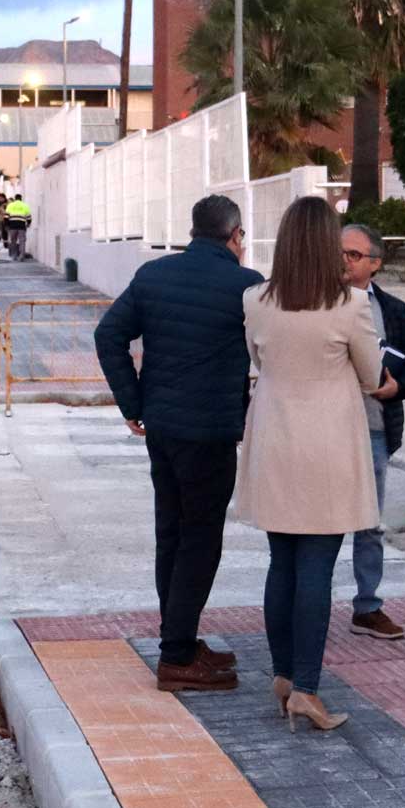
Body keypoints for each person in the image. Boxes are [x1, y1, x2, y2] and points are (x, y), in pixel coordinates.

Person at [94, 195, 264, 693]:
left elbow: (109, 337)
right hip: (210, 432)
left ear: (194, 231)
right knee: (201, 538)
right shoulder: (246, 286)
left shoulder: (153, 276)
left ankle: (181, 639)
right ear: (234, 235)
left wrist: (133, 404)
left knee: (171, 533)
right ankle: (176, 655)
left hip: (162, 430)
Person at [235, 196, 384, 731]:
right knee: (317, 566)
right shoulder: (351, 305)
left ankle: (282, 677)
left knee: (282, 562)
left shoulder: (256, 298)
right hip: (328, 442)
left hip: (274, 433)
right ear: (327, 246)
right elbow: (371, 376)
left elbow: (258, 360)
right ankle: (306, 689)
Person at [340, 223, 405, 640]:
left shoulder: (392, 309)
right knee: (318, 523)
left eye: (353, 255)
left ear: (374, 263)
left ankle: (367, 606)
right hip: (326, 430)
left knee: (369, 523)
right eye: (338, 252)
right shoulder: (316, 302)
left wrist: (398, 387)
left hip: (373, 427)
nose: (343, 260)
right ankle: (310, 606)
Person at [3, 195, 31, 260]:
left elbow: (6, 217)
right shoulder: (25, 205)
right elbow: (29, 217)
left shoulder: (10, 205)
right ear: (21, 199)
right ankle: (21, 256)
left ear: (15, 199)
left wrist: (6, 225)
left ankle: (14, 255)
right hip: (21, 226)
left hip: (12, 226)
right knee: (22, 241)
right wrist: (28, 223)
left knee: (13, 241)